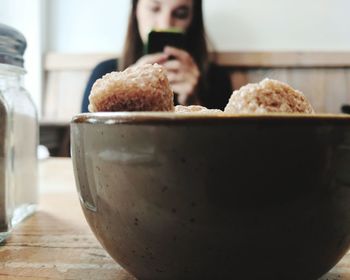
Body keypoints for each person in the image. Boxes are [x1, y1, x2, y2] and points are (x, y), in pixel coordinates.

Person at [82, 0, 232, 112]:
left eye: (180, 14)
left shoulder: (216, 79)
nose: (165, 24)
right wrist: (128, 92)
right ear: (136, 10)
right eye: (154, 9)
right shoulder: (105, 74)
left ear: (193, 20)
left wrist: (194, 104)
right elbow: (81, 142)